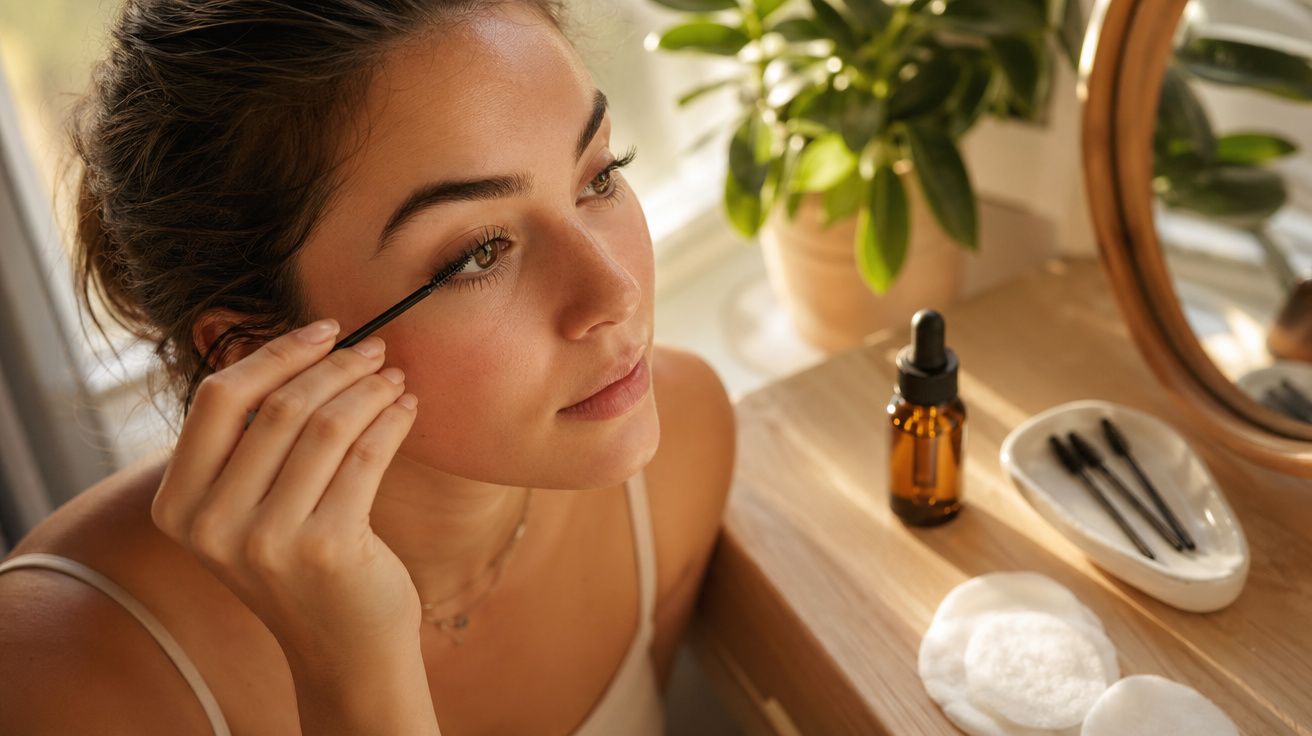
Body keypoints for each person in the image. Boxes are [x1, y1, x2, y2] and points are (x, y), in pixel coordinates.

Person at [0, 1, 736, 733]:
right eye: (478, 253)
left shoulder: (680, 444)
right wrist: (352, 676)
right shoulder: (59, 675)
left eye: (598, 178)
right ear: (253, 348)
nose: (616, 292)